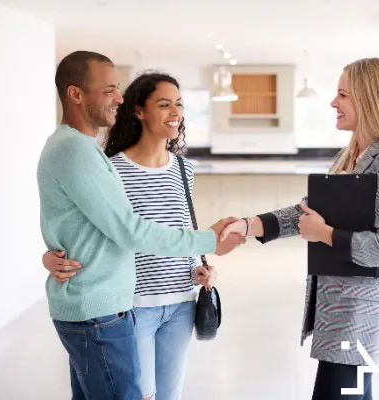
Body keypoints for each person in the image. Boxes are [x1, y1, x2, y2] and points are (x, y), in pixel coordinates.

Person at [37, 51, 243, 400]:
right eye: (164, 104)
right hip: (128, 303)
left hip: (175, 299)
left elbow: (84, 222)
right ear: (140, 110)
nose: (117, 96)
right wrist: (206, 240)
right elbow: (127, 230)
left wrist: (198, 264)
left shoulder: (180, 169)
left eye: (178, 104)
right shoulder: (95, 159)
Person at [221, 57, 379, 400]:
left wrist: (325, 234)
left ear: (369, 99)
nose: (333, 103)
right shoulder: (351, 156)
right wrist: (250, 224)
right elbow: (305, 213)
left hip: (360, 321)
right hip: (339, 315)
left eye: (342, 95)